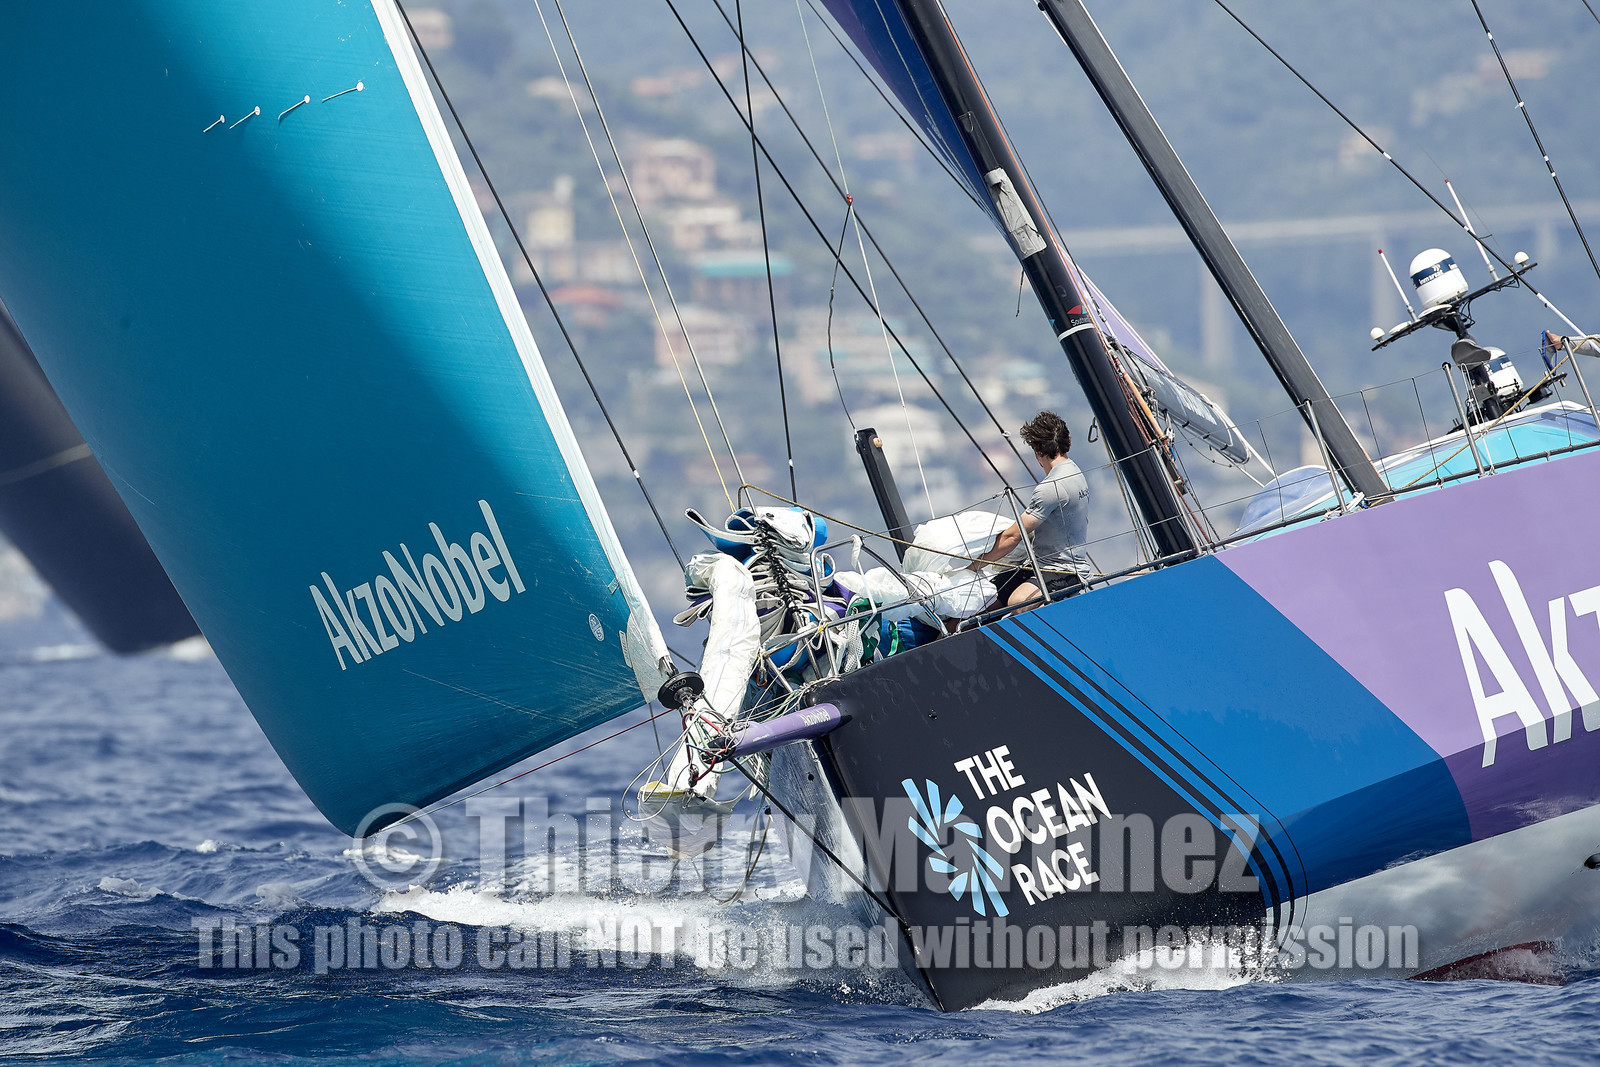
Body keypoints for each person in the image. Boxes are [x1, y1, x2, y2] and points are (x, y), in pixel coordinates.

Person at [966, 411, 1091, 607]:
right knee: (984, 601)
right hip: (1040, 565)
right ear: (1068, 441)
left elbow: (1013, 536)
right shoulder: (1076, 472)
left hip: (1063, 570)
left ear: (1037, 451)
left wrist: (974, 567)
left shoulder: (1051, 487)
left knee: (1018, 602)